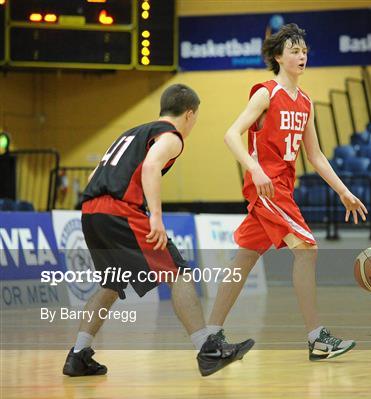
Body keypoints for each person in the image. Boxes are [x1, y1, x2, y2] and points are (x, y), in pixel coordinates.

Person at [62, 84, 254, 378]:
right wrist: (156, 217)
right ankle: (208, 350)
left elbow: (93, 175)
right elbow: (151, 167)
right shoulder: (171, 137)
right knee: (178, 273)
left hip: (91, 211)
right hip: (120, 211)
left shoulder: (131, 133)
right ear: (189, 114)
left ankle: (78, 355)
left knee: (111, 284)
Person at [207, 24, 368, 360]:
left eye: (305, 50)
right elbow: (231, 135)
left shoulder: (306, 101)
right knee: (307, 249)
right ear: (278, 57)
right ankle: (316, 338)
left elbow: (316, 156)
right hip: (267, 187)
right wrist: (255, 169)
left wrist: (343, 191)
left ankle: (209, 338)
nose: (302, 55)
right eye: (294, 50)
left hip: (283, 189)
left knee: (245, 258)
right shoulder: (266, 93)